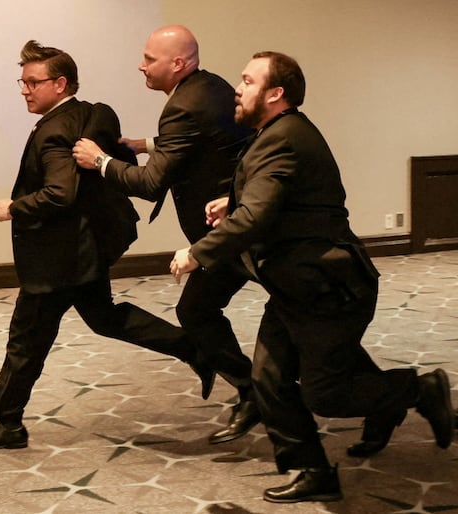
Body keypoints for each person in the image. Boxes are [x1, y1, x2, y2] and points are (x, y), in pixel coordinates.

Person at [170, 50, 454, 503]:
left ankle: (419, 389)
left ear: (275, 93)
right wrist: (233, 199)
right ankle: (314, 470)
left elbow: (260, 214)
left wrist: (197, 254)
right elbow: (276, 194)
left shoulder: (283, 136)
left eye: (247, 81)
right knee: (269, 379)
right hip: (297, 286)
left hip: (328, 287)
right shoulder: (277, 133)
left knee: (327, 394)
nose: (237, 89)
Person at [0, 40, 212, 450]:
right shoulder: (96, 113)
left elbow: (60, 194)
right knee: (103, 317)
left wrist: (13, 208)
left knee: (27, 338)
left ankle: (7, 424)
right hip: (86, 248)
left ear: (59, 83)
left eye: (32, 82)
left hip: (59, 258)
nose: (24, 90)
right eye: (21, 82)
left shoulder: (54, 131)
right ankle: (195, 349)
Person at [73, 25, 260, 444]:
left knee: (203, 312)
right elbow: (205, 136)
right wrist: (146, 143)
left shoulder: (181, 107)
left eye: (149, 59)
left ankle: (258, 394)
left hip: (232, 234)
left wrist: (100, 161)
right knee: (200, 311)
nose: (141, 65)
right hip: (240, 230)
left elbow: (151, 184)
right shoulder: (210, 87)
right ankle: (255, 392)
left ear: (178, 63)